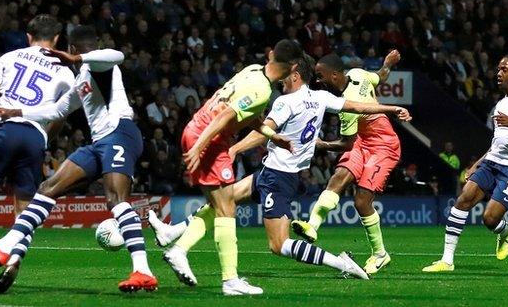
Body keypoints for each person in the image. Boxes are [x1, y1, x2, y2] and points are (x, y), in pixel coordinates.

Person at [147, 56, 411, 284]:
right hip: (273, 172)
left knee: (279, 245)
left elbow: (265, 133)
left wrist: (235, 149)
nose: (280, 80)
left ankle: (341, 263)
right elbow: (358, 106)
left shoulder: (286, 102)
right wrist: (392, 108)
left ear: (295, 75)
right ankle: (176, 237)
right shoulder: (320, 98)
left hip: (278, 177)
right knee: (222, 203)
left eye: (285, 76)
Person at [0, 26, 158, 293]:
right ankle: (5, 246)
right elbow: (56, 109)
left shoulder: (100, 67)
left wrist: (79, 59)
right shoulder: (81, 81)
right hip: (98, 142)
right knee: (47, 189)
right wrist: (16, 111)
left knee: (115, 200)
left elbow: (118, 56)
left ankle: (143, 270)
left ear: (71, 51)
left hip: (119, 134)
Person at [164, 39, 300, 296]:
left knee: (221, 205)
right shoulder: (262, 90)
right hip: (210, 139)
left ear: (270, 54)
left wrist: (273, 135)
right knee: (226, 207)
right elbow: (225, 116)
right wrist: (199, 147)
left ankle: (178, 249)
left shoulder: (252, 70)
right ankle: (230, 280)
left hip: (197, 129)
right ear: (293, 67)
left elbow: (246, 114)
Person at [0, 14, 76, 293]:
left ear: (29, 36)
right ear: (57, 39)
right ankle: (13, 259)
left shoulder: (8, 58)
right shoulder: (64, 71)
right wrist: (47, 136)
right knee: (24, 212)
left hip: (4, 131)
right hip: (34, 135)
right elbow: (62, 112)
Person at [423, 54, 508, 272]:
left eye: (504, 69)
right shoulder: (500, 104)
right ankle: (447, 261)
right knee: (463, 200)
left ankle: (504, 230)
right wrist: (477, 164)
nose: (498, 73)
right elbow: (497, 142)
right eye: (498, 69)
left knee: (489, 219)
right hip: (492, 162)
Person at [291, 50, 403, 274]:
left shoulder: (346, 107)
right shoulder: (358, 73)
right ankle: (312, 226)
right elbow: (380, 76)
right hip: (362, 141)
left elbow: (346, 144)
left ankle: (380, 254)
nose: (318, 81)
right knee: (339, 177)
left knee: (361, 202)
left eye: (321, 76)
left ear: (334, 76)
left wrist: (321, 145)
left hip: (383, 145)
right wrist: (388, 63)